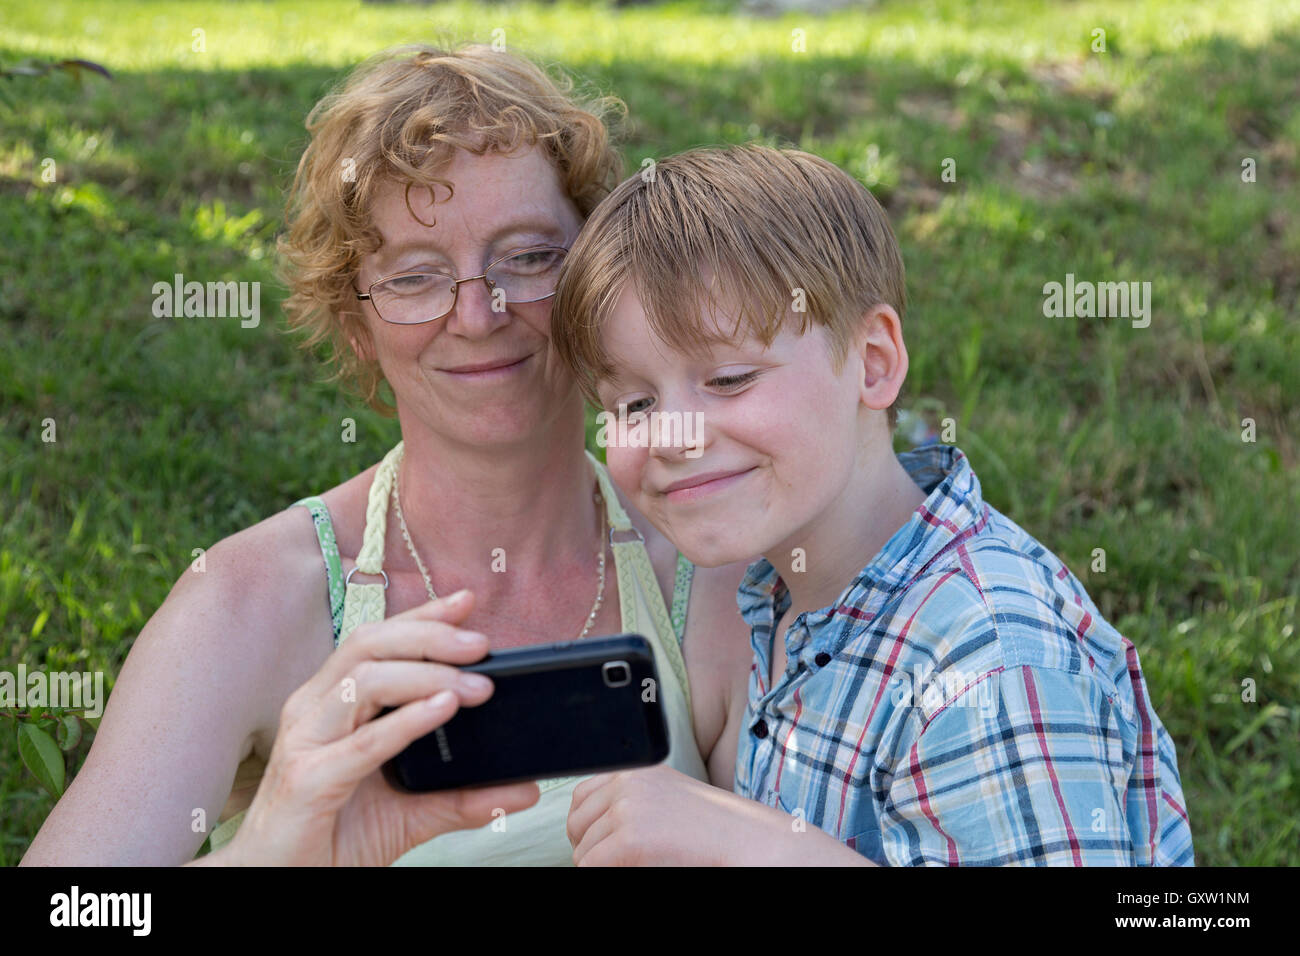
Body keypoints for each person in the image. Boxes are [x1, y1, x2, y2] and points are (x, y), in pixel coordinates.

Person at [19, 44, 755, 868]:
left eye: (530, 256)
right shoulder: (248, 604)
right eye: (414, 276)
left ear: (597, 281)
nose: (479, 313)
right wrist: (273, 851)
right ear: (356, 322)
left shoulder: (709, 578)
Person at [551, 144, 1196, 865]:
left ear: (874, 362)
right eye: (635, 402)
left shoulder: (987, 659)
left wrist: (758, 846)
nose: (673, 434)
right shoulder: (788, 592)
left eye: (729, 379)